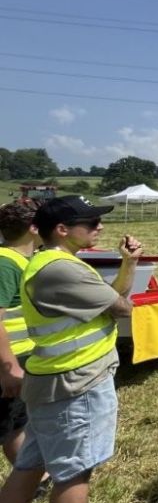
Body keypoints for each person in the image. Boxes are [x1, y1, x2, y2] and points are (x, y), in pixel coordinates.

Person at [0, 196, 142, 503]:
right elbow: (122, 307)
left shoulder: (52, 262)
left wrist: (129, 263)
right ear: (62, 230)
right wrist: (121, 298)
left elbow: (110, 301)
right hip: (77, 385)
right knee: (74, 473)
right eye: (91, 223)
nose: (100, 228)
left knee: (30, 465)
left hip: (53, 382)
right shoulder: (63, 269)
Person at [0, 202, 41, 482]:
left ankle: (32, 481)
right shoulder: (6, 263)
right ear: (33, 228)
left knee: (16, 424)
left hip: (21, 356)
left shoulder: (21, 260)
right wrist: (9, 367)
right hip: (8, 360)